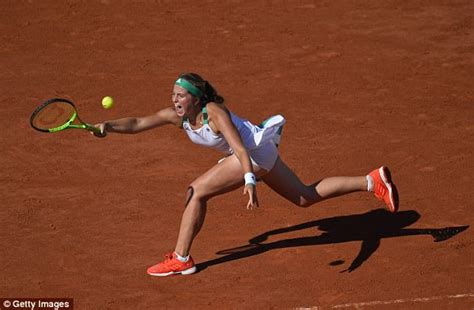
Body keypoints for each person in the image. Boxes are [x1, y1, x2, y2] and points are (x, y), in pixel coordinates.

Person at [94, 72, 399, 277]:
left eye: (181, 96)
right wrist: (109, 126)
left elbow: (240, 150)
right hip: (260, 152)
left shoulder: (213, 113)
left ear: (196, 99)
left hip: (250, 155)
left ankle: (181, 258)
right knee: (305, 197)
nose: (175, 100)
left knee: (196, 190)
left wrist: (250, 181)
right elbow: (136, 123)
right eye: (173, 95)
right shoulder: (179, 118)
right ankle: (371, 180)